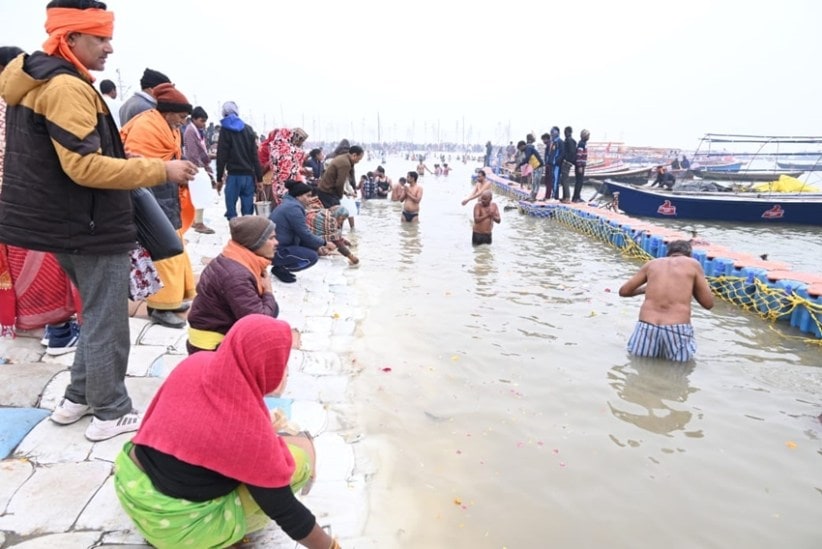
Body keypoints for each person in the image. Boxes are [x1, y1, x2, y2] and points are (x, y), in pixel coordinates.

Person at [0, 0, 197, 441]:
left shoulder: (37, 80)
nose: (110, 47)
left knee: (96, 312)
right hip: (87, 221)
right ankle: (110, 410)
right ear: (69, 38)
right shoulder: (65, 86)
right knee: (107, 318)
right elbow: (84, 168)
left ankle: (78, 397)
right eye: (100, 38)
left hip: (64, 221)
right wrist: (159, 169)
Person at [114, 315, 339, 549]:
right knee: (298, 461)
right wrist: (331, 546)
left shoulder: (197, 362)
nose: (285, 370)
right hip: (179, 528)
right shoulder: (246, 432)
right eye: (280, 361)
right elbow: (285, 511)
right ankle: (217, 534)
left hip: (133, 487)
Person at [120, 83, 197, 329]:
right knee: (161, 251)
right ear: (168, 111)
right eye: (182, 117)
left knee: (175, 246)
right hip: (150, 194)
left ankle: (173, 299)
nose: (183, 123)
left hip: (167, 192)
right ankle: (159, 306)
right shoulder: (146, 126)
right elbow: (139, 165)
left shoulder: (168, 127)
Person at [186, 216, 279, 354]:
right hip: (212, 349)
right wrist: (268, 293)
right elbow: (260, 321)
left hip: (214, 336)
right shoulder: (237, 277)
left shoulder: (233, 257)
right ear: (254, 242)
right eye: (270, 238)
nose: (276, 242)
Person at [618, 240, 714, 361]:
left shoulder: (652, 264)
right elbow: (708, 303)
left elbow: (624, 291)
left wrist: (644, 289)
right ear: (689, 254)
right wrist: (692, 287)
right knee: (679, 372)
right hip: (677, 329)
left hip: (647, 327)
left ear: (668, 253)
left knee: (639, 366)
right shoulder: (693, 264)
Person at [269, 180, 336, 283]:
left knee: (314, 249)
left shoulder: (289, 204)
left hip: (279, 245)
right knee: (311, 257)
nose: (310, 199)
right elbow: (304, 234)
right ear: (299, 196)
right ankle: (281, 268)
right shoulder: (293, 209)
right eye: (308, 196)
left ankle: (281, 265)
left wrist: (318, 247)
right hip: (275, 251)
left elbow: (301, 234)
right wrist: (325, 243)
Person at [216, 101, 264, 219]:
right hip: (248, 177)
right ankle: (247, 235)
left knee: (231, 211)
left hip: (233, 176)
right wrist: (259, 179)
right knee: (248, 212)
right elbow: (255, 156)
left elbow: (221, 156)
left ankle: (235, 235)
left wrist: (219, 178)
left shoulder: (225, 129)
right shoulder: (248, 129)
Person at [183, 106, 216, 234]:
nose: (204, 124)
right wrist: (201, 168)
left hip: (199, 166)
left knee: (199, 195)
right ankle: (198, 222)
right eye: (202, 121)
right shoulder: (190, 131)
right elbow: (192, 153)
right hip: (195, 167)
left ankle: (197, 220)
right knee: (199, 195)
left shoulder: (196, 131)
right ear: (194, 119)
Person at [304, 196, 359, 265]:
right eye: (342, 219)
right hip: (306, 240)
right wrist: (352, 257)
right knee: (326, 250)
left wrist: (347, 243)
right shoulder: (330, 220)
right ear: (339, 217)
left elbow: (335, 236)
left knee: (330, 247)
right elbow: (337, 242)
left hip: (308, 236)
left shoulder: (326, 213)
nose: (341, 222)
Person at [269, 127, 310, 205]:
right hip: (289, 184)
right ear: (295, 137)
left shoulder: (274, 147)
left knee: (282, 204)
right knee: (289, 204)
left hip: (277, 183)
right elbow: (290, 167)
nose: (301, 143)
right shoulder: (292, 150)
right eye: (301, 140)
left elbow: (289, 167)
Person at [544, 127, 565, 201]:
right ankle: (553, 195)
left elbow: (562, 154)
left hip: (556, 165)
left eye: (553, 132)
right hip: (551, 165)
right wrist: (548, 162)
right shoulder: (552, 142)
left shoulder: (560, 142)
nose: (551, 134)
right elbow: (549, 153)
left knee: (556, 180)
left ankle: (555, 197)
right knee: (552, 180)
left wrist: (556, 161)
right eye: (551, 132)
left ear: (558, 132)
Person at [572, 129, 590, 202]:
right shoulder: (581, 144)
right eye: (588, 135)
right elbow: (579, 155)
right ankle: (576, 198)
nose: (589, 137)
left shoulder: (583, 143)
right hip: (580, 165)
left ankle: (577, 196)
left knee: (580, 181)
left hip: (582, 165)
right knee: (579, 181)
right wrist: (579, 166)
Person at [561, 126, 577, 203]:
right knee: (563, 179)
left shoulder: (569, 140)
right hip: (569, 162)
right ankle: (564, 197)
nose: (564, 133)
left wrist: (566, 159)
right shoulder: (572, 140)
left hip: (567, 162)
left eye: (565, 132)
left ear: (568, 132)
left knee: (565, 180)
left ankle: (567, 197)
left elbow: (571, 152)